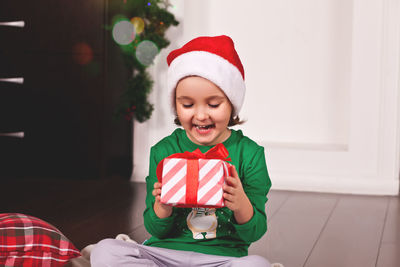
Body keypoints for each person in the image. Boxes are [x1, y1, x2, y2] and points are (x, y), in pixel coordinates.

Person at [91, 35, 272, 266]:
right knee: (106, 250)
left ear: (232, 103)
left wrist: (241, 204)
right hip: (164, 255)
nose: (200, 115)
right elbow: (155, 228)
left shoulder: (250, 154)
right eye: (187, 104)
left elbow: (254, 232)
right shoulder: (164, 151)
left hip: (221, 259)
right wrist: (162, 206)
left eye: (213, 104)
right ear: (175, 104)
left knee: (257, 265)